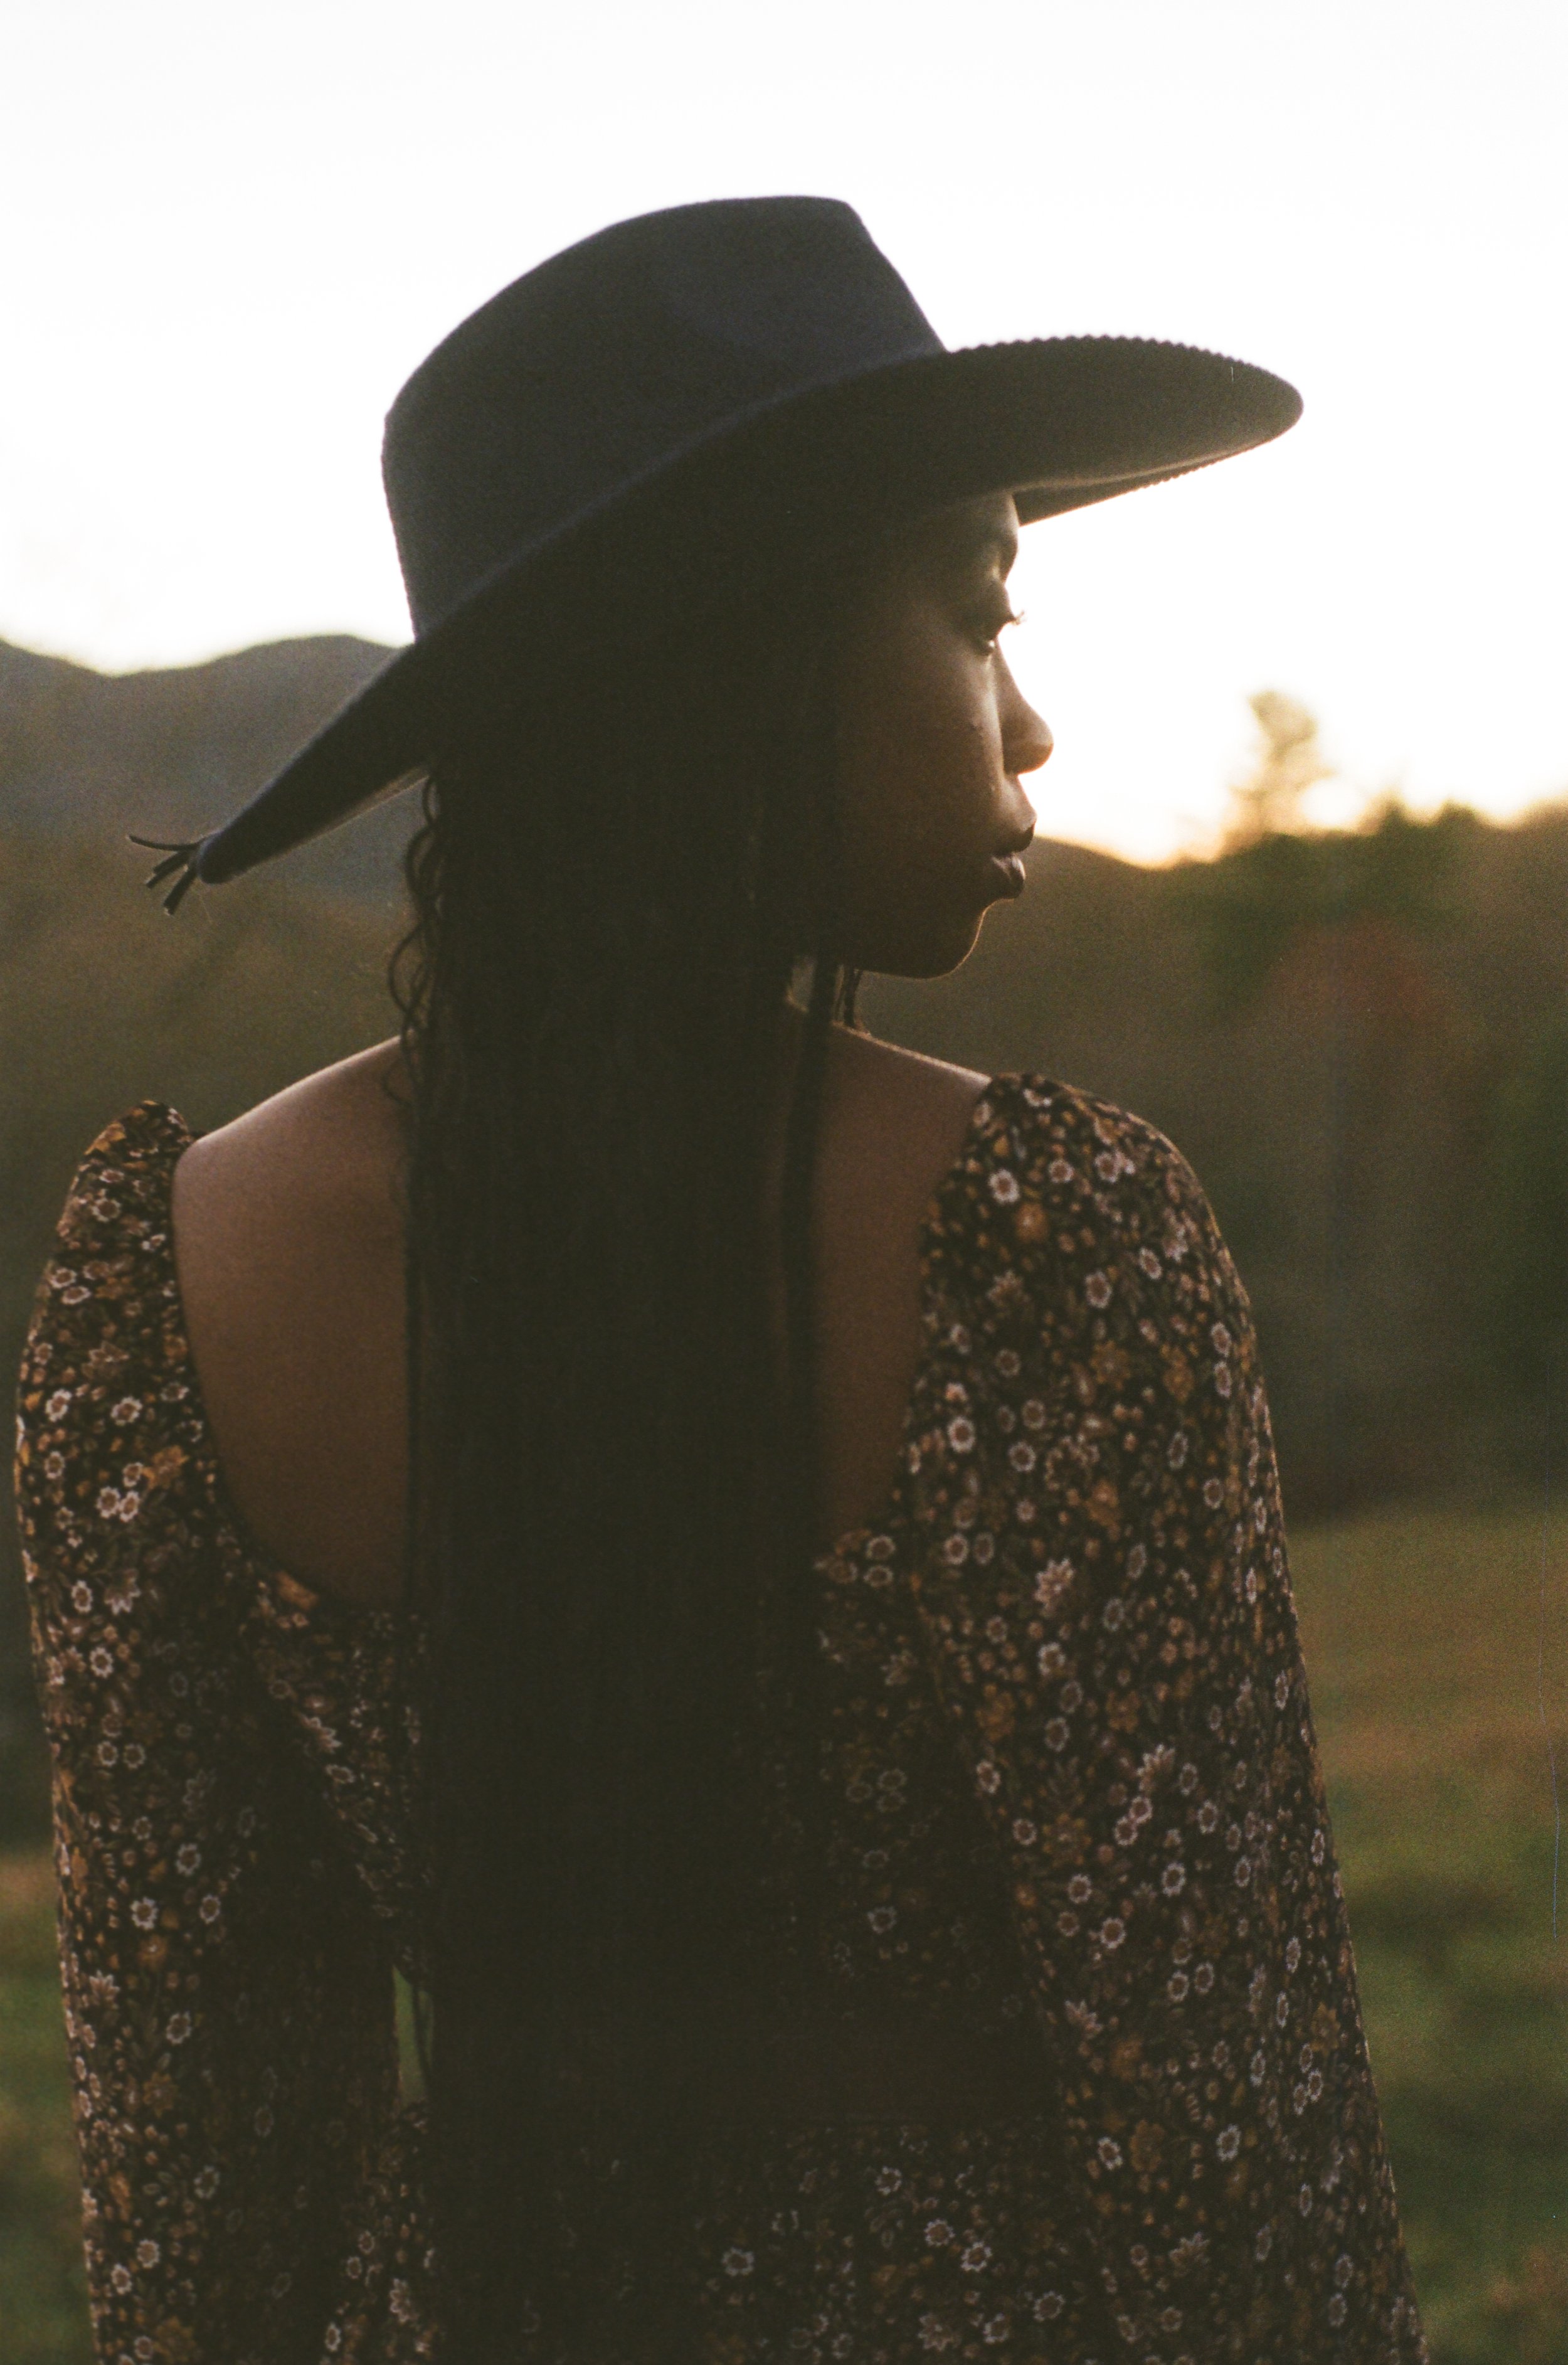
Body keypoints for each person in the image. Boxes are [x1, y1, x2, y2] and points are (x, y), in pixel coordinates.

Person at [15, 197, 1428, 2362]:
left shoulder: (178, 1265)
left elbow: (197, 2135)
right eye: (975, 614)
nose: (1030, 720)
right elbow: (1222, 2102)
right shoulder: (1044, 1236)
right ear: (738, 651)